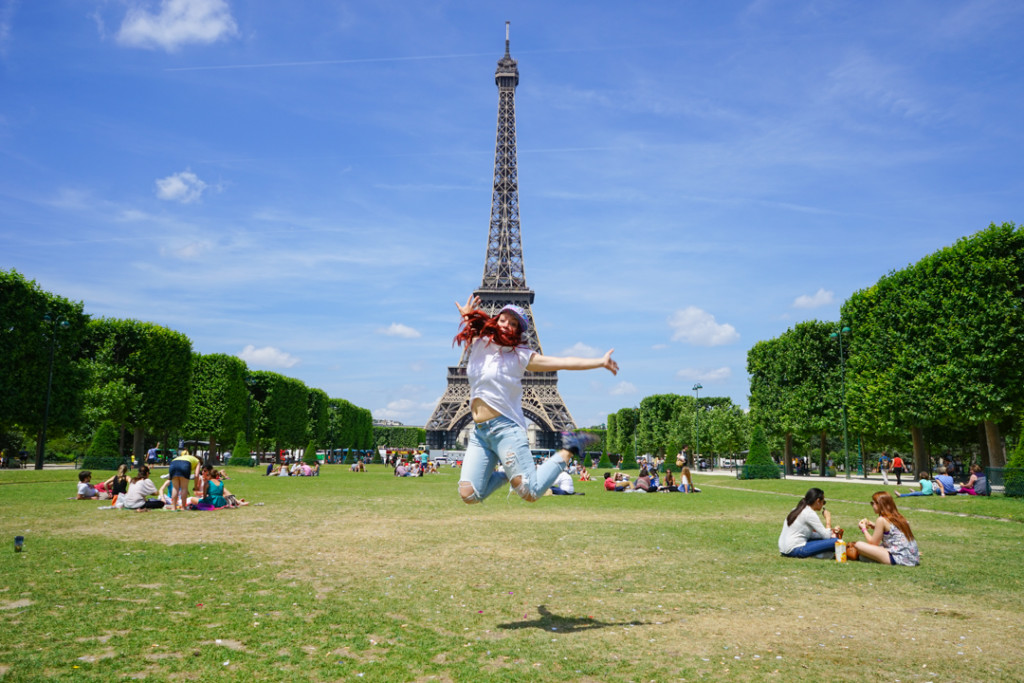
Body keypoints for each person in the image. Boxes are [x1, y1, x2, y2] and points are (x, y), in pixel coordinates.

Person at [452, 295, 618, 504]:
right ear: (496, 320)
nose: (507, 325)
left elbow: (564, 362)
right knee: (469, 495)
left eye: (513, 324)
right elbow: (473, 326)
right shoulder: (479, 343)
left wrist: (599, 362)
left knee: (531, 492)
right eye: (503, 320)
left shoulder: (521, 356)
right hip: (480, 433)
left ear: (519, 331)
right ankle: (508, 475)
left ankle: (569, 449)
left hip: (506, 430)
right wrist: (468, 315)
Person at [848, 492, 919, 566]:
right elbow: (893, 532)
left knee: (859, 545)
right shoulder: (899, 517)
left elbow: (873, 543)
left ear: (880, 504)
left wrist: (864, 529)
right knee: (864, 556)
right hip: (912, 558)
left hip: (898, 557)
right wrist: (876, 527)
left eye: (873, 503)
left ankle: (867, 558)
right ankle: (865, 558)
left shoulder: (881, 520)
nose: (872, 506)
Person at [778, 488, 838, 559]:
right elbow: (827, 536)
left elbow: (808, 534)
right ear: (818, 501)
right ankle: (821, 555)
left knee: (829, 541)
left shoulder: (796, 509)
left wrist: (830, 533)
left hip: (784, 549)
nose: (823, 505)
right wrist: (828, 519)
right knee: (836, 542)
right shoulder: (810, 513)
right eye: (823, 502)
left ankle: (822, 554)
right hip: (794, 549)